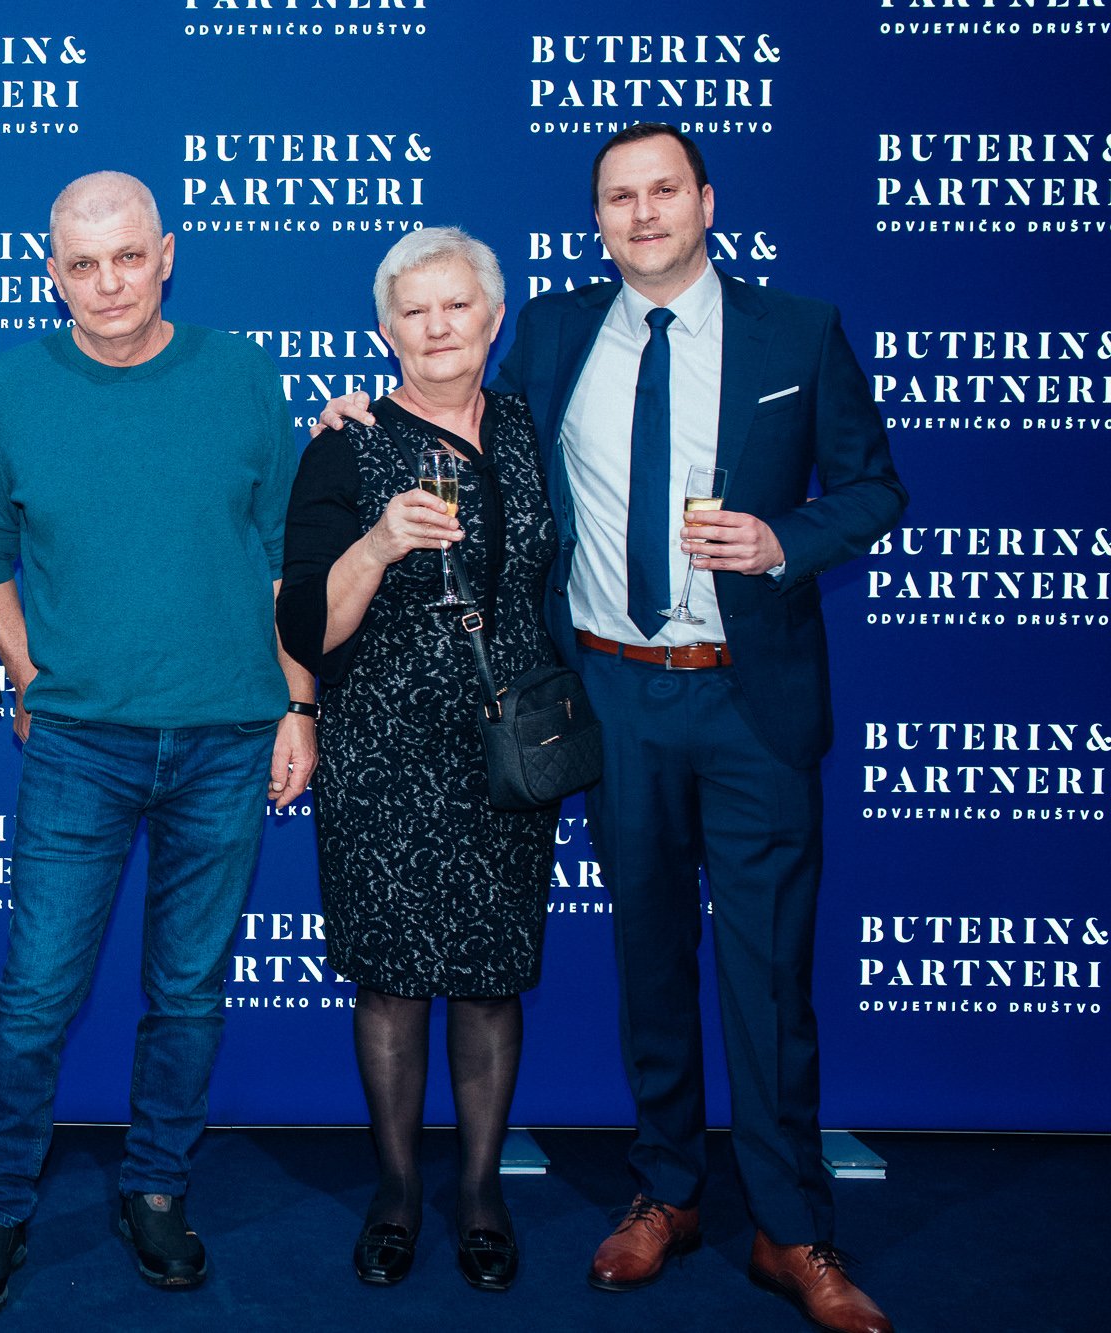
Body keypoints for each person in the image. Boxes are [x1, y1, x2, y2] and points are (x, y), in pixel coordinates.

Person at [321, 125, 906, 1333]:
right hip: (608, 693)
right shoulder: (549, 332)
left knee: (765, 975)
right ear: (595, 220)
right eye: (616, 198)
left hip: (748, 694)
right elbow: (452, 406)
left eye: (661, 191)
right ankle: (666, 1192)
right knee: (647, 957)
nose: (641, 214)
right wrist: (353, 419)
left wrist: (786, 541)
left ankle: (791, 1229)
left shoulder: (797, 331)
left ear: (704, 200)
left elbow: (873, 485)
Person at [0, 172, 317, 1317]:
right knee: (36, 993)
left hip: (226, 734)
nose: (105, 285)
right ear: (52, 271)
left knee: (188, 993)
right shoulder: (6, 392)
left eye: (126, 259)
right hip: (78, 744)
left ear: (164, 255)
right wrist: (22, 672)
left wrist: (296, 703)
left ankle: (156, 1189)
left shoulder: (243, 374)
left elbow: (281, 555)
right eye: (80, 265)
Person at [277, 227, 556, 1293]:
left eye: (456, 307)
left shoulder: (535, 431)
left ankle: (479, 1191)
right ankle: (396, 1191)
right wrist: (379, 541)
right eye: (413, 312)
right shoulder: (341, 446)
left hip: (503, 748)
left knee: (488, 983)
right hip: (380, 748)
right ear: (383, 330)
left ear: (492, 317)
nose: (436, 329)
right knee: (389, 983)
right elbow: (306, 623)